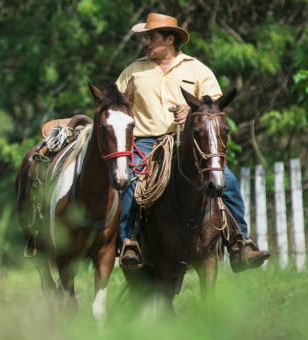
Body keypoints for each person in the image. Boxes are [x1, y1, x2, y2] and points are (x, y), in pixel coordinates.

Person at [115, 13, 269, 271]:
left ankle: (240, 243)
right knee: (131, 180)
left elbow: (215, 106)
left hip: (187, 143)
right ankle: (128, 243)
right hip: (146, 143)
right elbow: (118, 107)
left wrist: (191, 111)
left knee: (228, 180)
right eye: (146, 38)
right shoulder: (133, 71)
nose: (146, 43)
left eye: (151, 37)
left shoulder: (196, 69)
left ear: (170, 39)